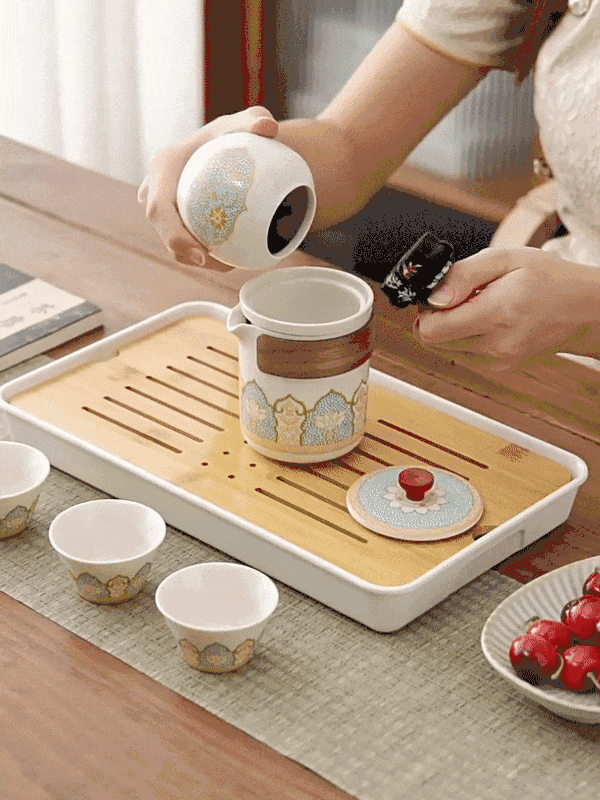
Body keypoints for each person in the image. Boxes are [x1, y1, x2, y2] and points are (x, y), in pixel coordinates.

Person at [138, 0, 600, 373]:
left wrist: (589, 316)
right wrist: (239, 156)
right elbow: (349, 146)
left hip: (561, 339)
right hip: (551, 355)